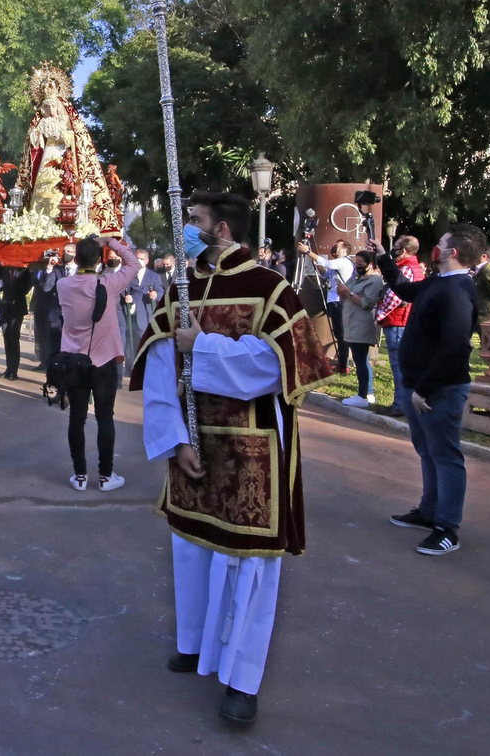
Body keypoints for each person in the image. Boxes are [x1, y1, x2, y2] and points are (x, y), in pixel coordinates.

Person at [130, 191, 332, 725]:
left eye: (193, 223)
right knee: (191, 549)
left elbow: (274, 368)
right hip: (193, 443)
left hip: (251, 445)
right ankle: (194, 642)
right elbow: (156, 367)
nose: (186, 232)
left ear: (221, 230)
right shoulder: (180, 289)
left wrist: (204, 347)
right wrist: (175, 439)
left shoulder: (269, 289)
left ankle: (242, 679)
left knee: (246, 561)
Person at [375, 222, 487, 556]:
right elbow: (404, 290)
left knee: (446, 455)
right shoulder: (439, 282)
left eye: (440, 244)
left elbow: (455, 346)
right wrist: (384, 258)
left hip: (438, 388)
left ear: (451, 252)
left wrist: (424, 388)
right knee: (427, 450)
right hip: (418, 385)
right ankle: (429, 511)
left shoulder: (458, 290)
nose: (434, 248)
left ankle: (447, 527)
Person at [57, 234, 138, 491]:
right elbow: (134, 264)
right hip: (103, 362)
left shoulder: (63, 285)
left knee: (76, 418)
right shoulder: (109, 284)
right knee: (105, 418)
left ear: (75, 257)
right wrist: (111, 243)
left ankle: (80, 476)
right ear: (100, 259)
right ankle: (105, 476)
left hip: (73, 361)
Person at [374, 235, 424, 417]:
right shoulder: (415, 267)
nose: (392, 250)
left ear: (403, 251)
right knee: (401, 365)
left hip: (398, 321)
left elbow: (395, 296)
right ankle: (403, 403)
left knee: (398, 366)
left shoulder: (406, 268)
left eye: (395, 247)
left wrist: (378, 314)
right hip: (402, 320)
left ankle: (400, 404)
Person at [336, 250, 385, 409]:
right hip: (351, 322)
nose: (358, 267)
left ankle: (364, 394)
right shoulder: (357, 277)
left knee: (361, 360)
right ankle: (367, 392)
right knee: (361, 359)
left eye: (361, 265)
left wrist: (348, 292)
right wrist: (342, 291)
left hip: (362, 324)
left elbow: (367, 303)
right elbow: (347, 291)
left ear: (371, 264)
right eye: (356, 264)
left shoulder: (375, 281)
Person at [301, 240, 354, 373]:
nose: (335, 247)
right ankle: (342, 363)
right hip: (334, 301)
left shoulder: (344, 261)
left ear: (344, 250)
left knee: (341, 334)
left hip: (339, 301)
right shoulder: (338, 264)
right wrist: (316, 264)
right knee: (339, 333)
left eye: (338, 245)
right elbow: (326, 274)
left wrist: (308, 251)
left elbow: (327, 263)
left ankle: (344, 364)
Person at [124, 247, 165, 356]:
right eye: (136, 258)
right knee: (129, 348)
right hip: (128, 315)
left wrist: (156, 295)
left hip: (144, 317)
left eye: (141, 259)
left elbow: (161, 294)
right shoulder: (127, 274)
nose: (138, 261)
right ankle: (129, 370)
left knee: (143, 346)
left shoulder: (154, 276)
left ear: (147, 261)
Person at [31, 250, 67, 371]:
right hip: (39, 306)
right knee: (40, 335)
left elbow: (47, 286)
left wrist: (51, 267)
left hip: (52, 306)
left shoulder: (58, 270)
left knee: (51, 336)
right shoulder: (37, 269)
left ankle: (53, 362)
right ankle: (43, 360)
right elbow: (35, 286)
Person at [0, 266, 31, 380]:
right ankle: (8, 368)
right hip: (5, 307)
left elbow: (26, 287)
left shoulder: (24, 270)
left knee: (14, 337)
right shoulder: (4, 269)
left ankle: (13, 370)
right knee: (7, 337)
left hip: (17, 307)